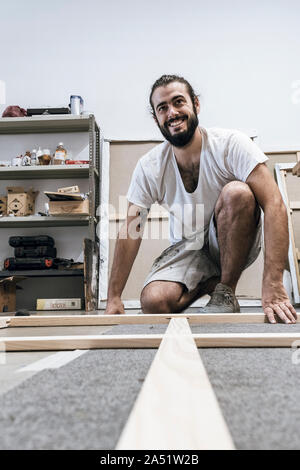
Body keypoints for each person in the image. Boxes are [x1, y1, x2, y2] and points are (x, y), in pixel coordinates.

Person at [105, 74, 297, 324]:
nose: (172, 113)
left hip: (232, 238)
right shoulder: (150, 166)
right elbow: (132, 228)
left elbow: (274, 204)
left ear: (196, 104)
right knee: (154, 303)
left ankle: (225, 290)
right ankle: (210, 282)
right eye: (162, 108)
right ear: (156, 118)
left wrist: (273, 285)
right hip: (189, 247)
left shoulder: (231, 145)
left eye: (178, 102)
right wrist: (113, 298)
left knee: (236, 192)